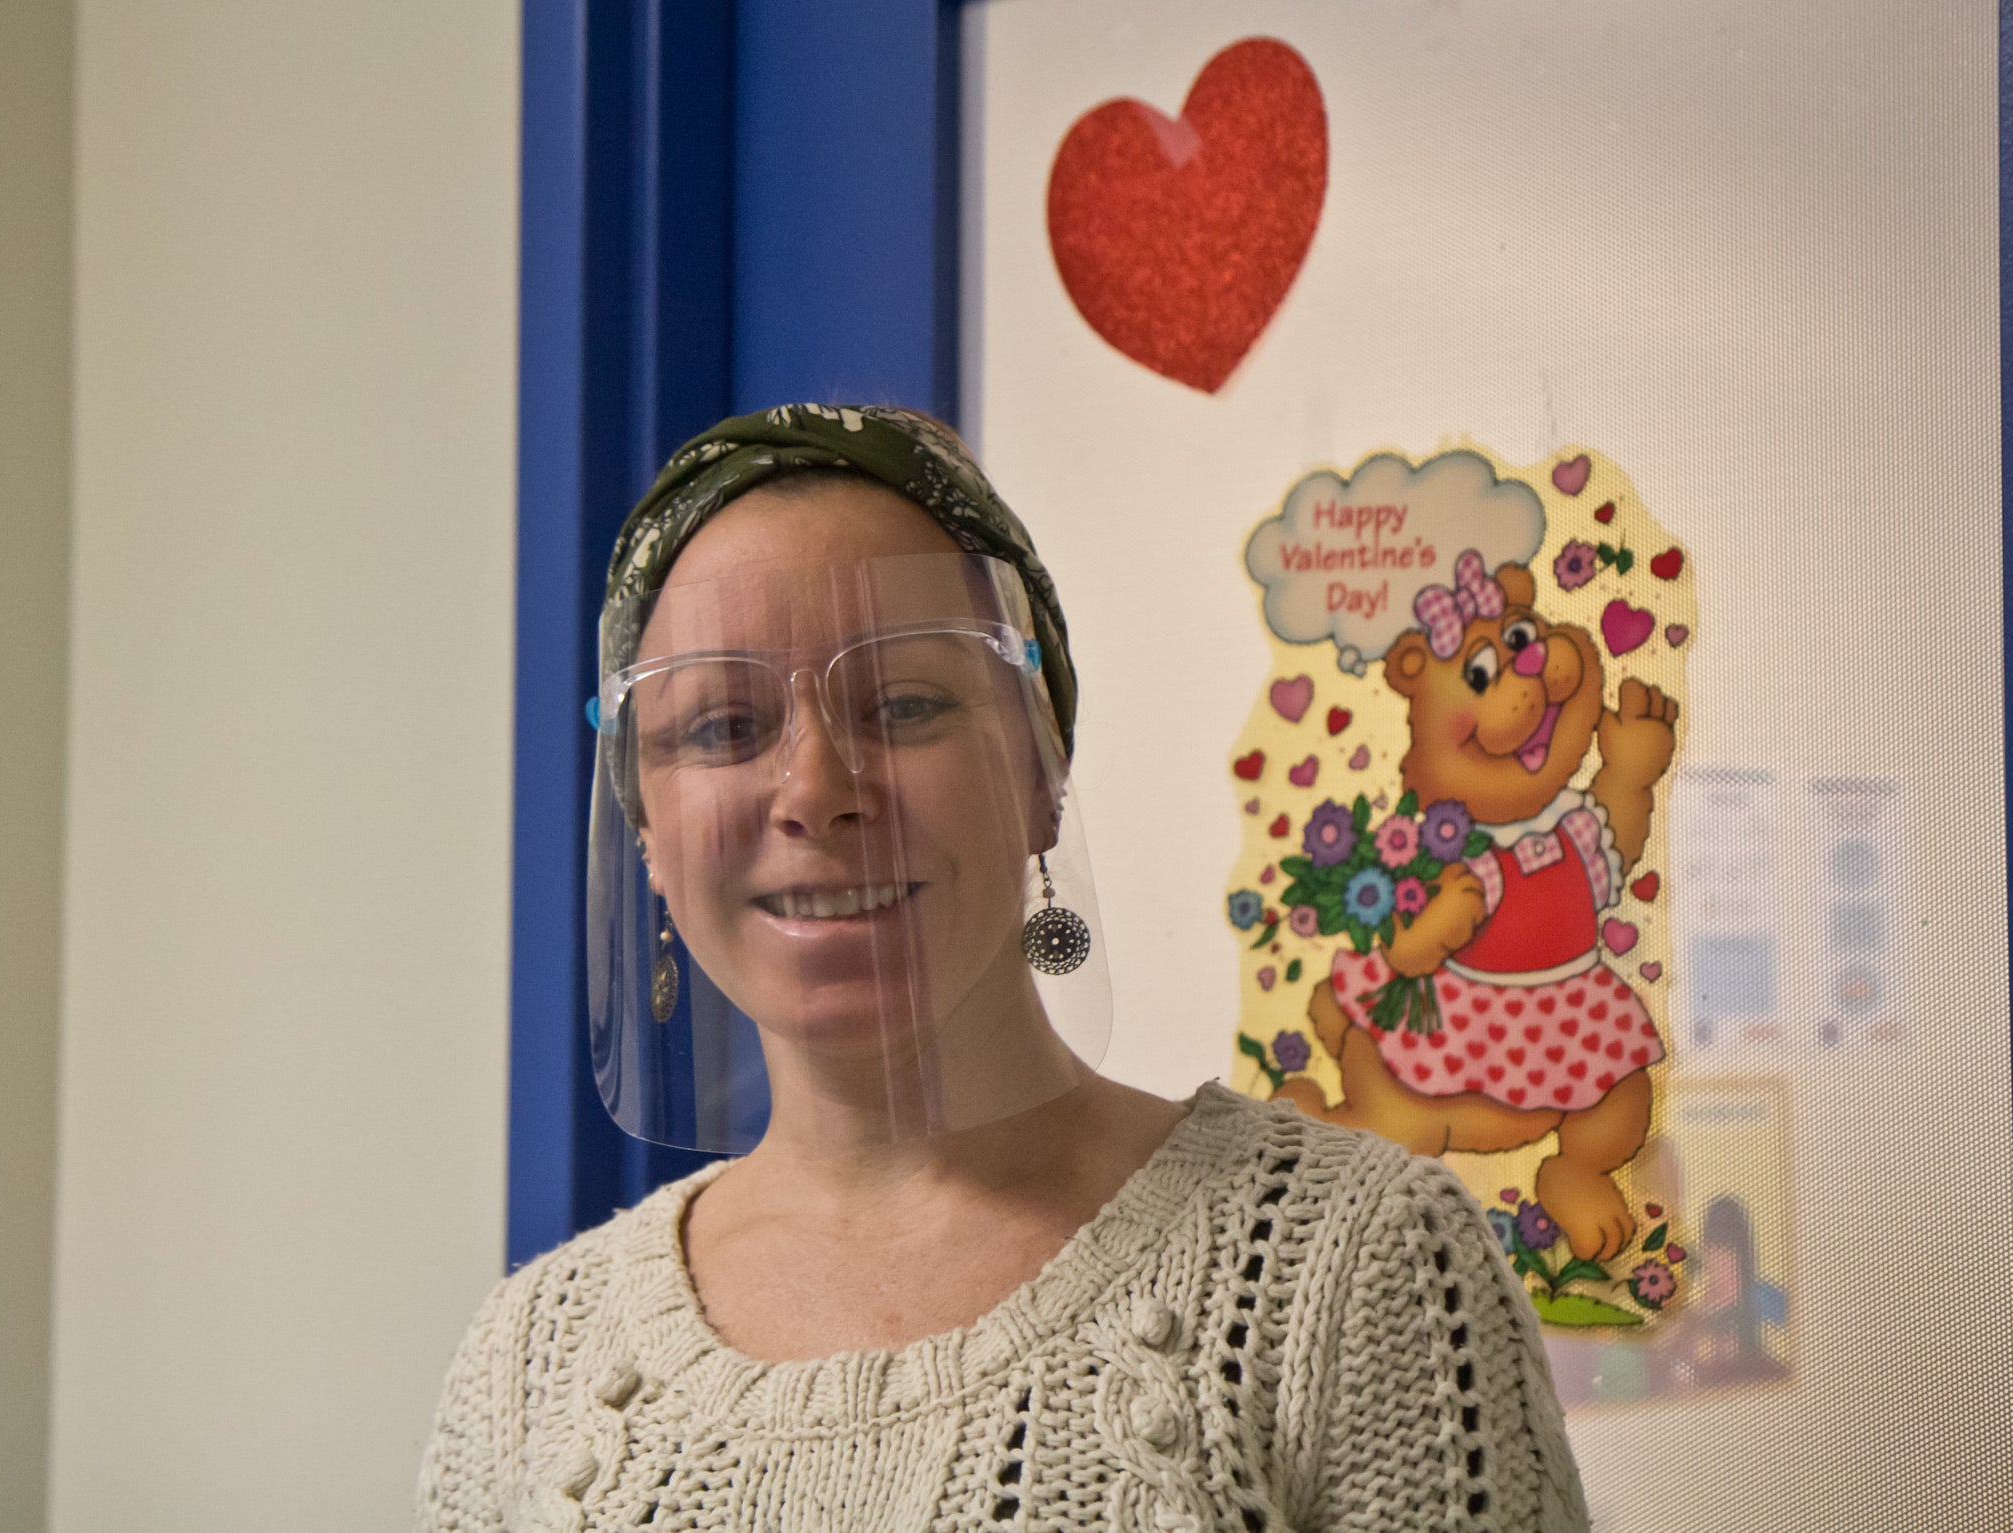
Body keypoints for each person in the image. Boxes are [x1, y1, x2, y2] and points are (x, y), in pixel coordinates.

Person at [415, 404, 1589, 1532]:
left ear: (1040, 771)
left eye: (906, 704)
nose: (814, 792)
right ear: (645, 832)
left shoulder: (1356, 1274)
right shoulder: (531, 1360)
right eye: (722, 728)